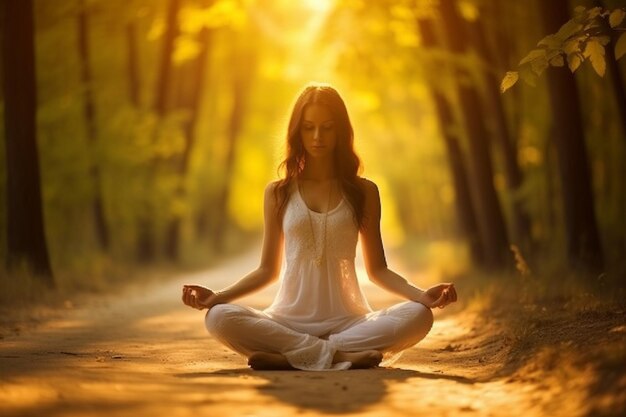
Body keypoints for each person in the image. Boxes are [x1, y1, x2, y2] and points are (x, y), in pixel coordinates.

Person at [182, 84, 457, 371]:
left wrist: (421, 295)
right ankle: (339, 355)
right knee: (218, 317)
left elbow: (378, 270)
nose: (317, 137)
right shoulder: (279, 192)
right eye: (308, 128)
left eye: (327, 128)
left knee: (420, 315)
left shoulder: (364, 191)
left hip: (350, 322)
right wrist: (217, 297)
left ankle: (293, 356)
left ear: (341, 131)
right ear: (297, 132)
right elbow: (267, 270)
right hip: (287, 321)